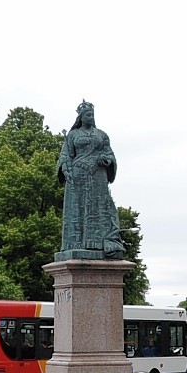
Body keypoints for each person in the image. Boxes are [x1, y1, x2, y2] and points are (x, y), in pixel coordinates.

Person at [56, 100, 127, 259]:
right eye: (87, 114)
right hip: (78, 176)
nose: (90, 117)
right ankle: (76, 243)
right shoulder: (73, 135)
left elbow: (109, 153)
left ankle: (99, 243)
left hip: (97, 176)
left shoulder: (102, 135)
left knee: (99, 208)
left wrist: (107, 161)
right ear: (81, 117)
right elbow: (65, 155)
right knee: (78, 209)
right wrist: (66, 168)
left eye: (92, 114)